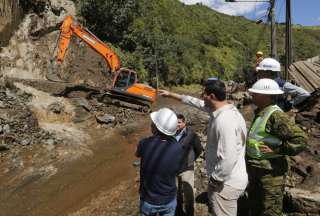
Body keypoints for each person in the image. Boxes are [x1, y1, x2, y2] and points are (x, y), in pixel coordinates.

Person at [159, 78, 248, 216]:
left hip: (226, 183)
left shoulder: (224, 121)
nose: (201, 97)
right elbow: (194, 102)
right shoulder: (226, 110)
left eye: (203, 94)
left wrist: (215, 180)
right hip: (233, 178)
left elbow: (228, 158)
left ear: (211, 96)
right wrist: (171, 94)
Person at [246, 78, 307, 215]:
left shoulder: (276, 116)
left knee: (271, 210)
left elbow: (300, 140)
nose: (252, 95)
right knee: (256, 207)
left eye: (255, 93)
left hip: (271, 174)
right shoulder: (261, 112)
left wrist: (278, 149)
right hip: (258, 171)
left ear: (266, 96)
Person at [136, 108, 182, 216]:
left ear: (155, 127)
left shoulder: (144, 143)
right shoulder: (178, 147)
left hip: (148, 199)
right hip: (169, 199)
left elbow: (136, 153)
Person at [175, 114, 203, 216]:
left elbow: (199, 149)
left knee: (188, 193)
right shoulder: (170, 134)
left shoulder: (191, 134)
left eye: (179, 122)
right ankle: (178, 212)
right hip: (173, 169)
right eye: (175, 122)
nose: (177, 124)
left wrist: (192, 160)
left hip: (187, 168)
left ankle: (189, 213)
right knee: (176, 193)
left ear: (184, 123)